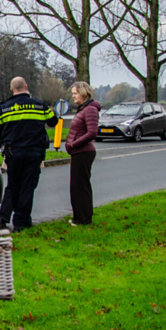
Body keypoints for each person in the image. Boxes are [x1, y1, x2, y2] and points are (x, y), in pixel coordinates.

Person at [0, 76, 58, 232]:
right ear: (26, 86)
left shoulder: (5, 107)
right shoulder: (39, 105)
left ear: (11, 89)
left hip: (13, 153)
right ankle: (21, 222)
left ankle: (4, 219)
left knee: (13, 186)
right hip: (34, 153)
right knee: (27, 187)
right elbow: (53, 121)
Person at [65, 81, 100, 225]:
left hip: (83, 152)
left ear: (83, 93)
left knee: (81, 186)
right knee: (77, 186)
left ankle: (83, 218)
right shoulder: (83, 109)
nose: (73, 96)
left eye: (75, 93)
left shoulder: (90, 109)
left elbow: (92, 132)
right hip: (78, 152)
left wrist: (74, 144)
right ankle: (79, 216)